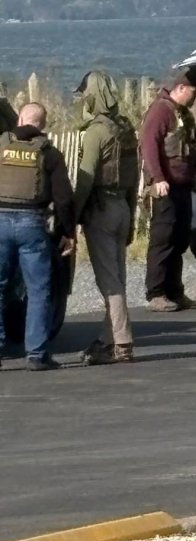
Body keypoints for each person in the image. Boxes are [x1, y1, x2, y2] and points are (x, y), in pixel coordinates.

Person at [0, 103, 75, 371]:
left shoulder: (1, 145)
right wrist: (67, 232)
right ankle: (37, 354)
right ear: (42, 125)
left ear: (19, 119)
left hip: (0, 221)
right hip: (32, 224)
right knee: (38, 290)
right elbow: (64, 198)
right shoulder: (49, 153)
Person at [75, 71, 139, 365]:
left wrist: (72, 216)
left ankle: (122, 343)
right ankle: (108, 339)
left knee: (109, 283)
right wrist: (132, 217)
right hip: (122, 207)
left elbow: (86, 178)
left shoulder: (96, 132)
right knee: (118, 279)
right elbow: (134, 176)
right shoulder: (125, 129)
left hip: (100, 209)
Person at [140, 69, 196, 312]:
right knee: (162, 239)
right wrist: (157, 177)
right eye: (194, 92)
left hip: (182, 184)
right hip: (165, 186)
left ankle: (175, 291)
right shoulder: (160, 111)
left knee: (179, 240)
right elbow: (148, 145)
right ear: (181, 88)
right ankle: (155, 292)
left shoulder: (182, 114)